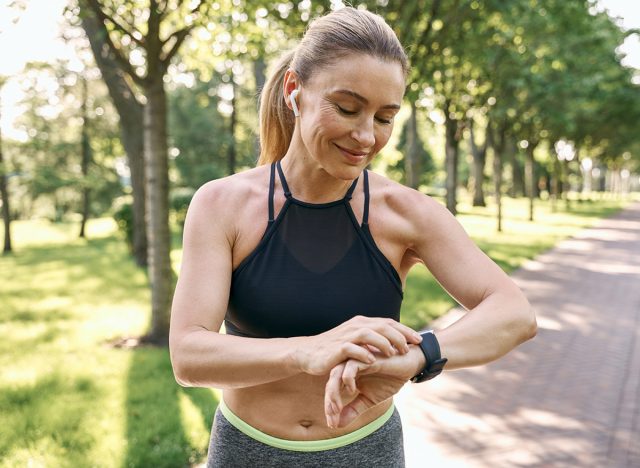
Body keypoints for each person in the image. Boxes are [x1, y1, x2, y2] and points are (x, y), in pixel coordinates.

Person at [169, 7, 537, 467]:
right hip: (247, 450)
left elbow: (514, 313)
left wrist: (423, 354)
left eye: (385, 117)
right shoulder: (221, 205)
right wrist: (306, 351)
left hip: (368, 452)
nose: (366, 136)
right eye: (347, 108)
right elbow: (188, 354)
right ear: (294, 91)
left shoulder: (407, 213)